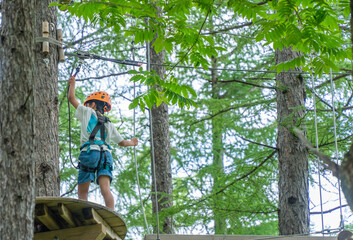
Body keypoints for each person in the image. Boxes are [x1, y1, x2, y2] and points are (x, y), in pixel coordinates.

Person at [68, 76, 138, 210]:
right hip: (106, 156)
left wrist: (72, 84)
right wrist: (133, 143)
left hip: (90, 153)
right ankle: (111, 212)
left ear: (93, 105)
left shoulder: (87, 111)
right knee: (105, 189)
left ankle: (84, 214)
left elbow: (71, 99)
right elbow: (122, 142)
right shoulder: (108, 123)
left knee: (83, 191)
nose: (85, 106)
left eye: (88, 103)